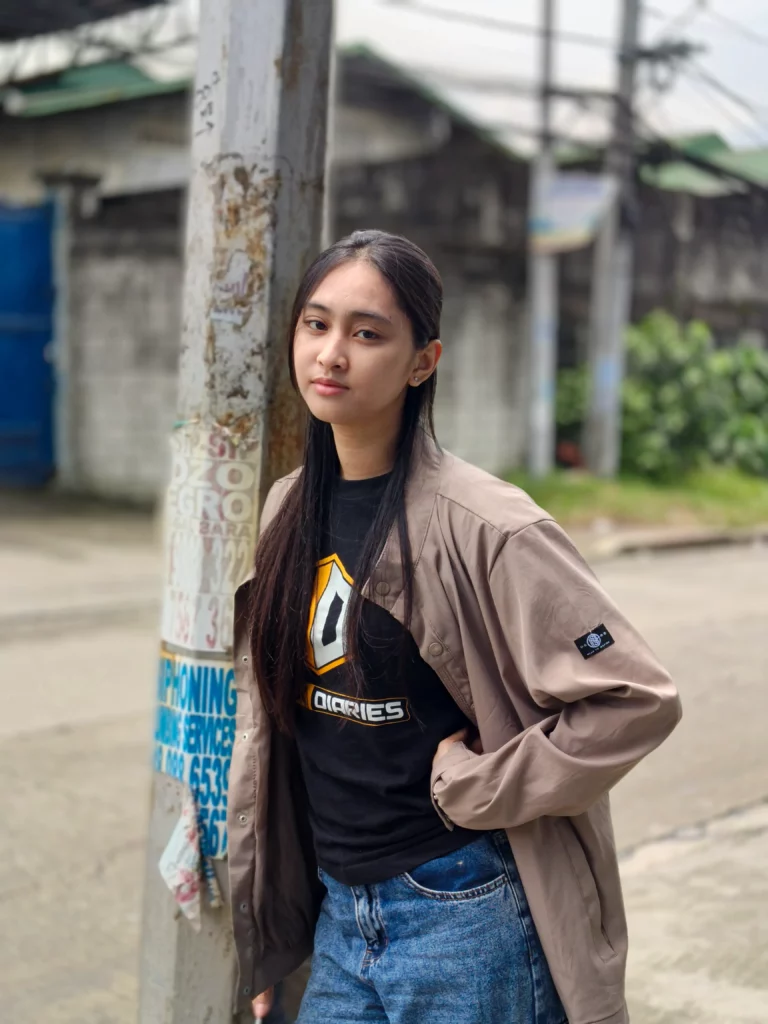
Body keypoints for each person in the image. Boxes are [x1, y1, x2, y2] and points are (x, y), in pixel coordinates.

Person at [227, 230, 681, 1024]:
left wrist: (481, 786)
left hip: (462, 909)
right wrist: (275, 933)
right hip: (340, 916)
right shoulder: (287, 509)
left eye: (367, 333)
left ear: (421, 362)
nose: (332, 353)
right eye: (316, 324)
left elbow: (635, 695)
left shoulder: (488, 525)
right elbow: (286, 739)